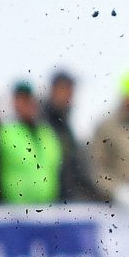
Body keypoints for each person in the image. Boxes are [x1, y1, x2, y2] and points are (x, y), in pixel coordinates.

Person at [41, 70, 102, 202]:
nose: (70, 95)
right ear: (54, 90)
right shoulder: (42, 123)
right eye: (66, 89)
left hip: (68, 203)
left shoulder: (65, 126)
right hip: (48, 203)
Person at [0, 81, 63, 205]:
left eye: (28, 100)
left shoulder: (46, 133)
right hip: (14, 210)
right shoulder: (5, 131)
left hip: (47, 207)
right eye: (21, 100)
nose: (26, 105)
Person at [92, 70, 129, 204]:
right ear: (125, 98)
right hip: (115, 208)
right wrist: (117, 190)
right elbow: (97, 170)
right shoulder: (107, 128)